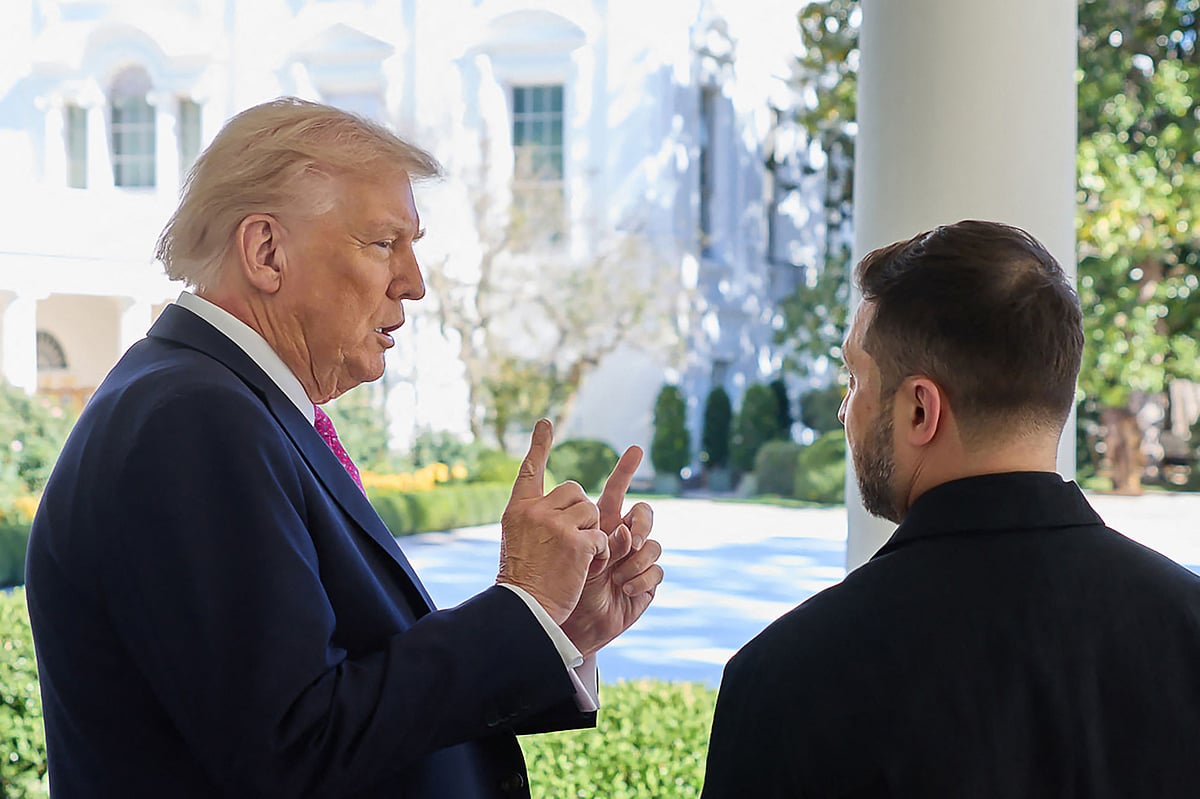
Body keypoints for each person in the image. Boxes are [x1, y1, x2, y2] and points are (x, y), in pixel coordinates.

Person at [25, 97, 664, 798]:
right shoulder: (193, 420)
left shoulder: (214, 401)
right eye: (385, 242)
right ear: (267, 251)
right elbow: (295, 750)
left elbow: (330, 699)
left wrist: (551, 622)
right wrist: (520, 601)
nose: (414, 283)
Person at [701, 220, 1200, 798]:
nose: (845, 412)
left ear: (921, 410)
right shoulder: (1187, 631)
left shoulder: (788, 677)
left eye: (855, 378)